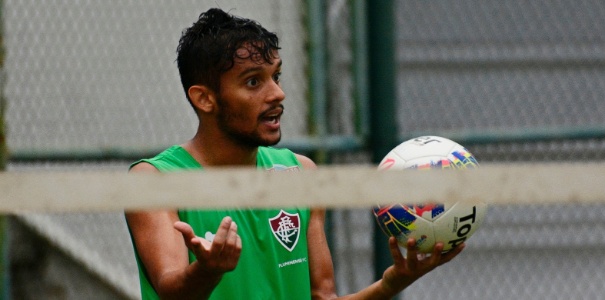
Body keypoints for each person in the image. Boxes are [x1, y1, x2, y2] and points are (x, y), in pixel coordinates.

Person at [125, 8, 464, 300]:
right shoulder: (154, 181)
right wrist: (208, 271)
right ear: (205, 99)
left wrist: (391, 284)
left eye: (276, 76)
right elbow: (170, 289)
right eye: (253, 82)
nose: (278, 94)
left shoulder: (300, 173)